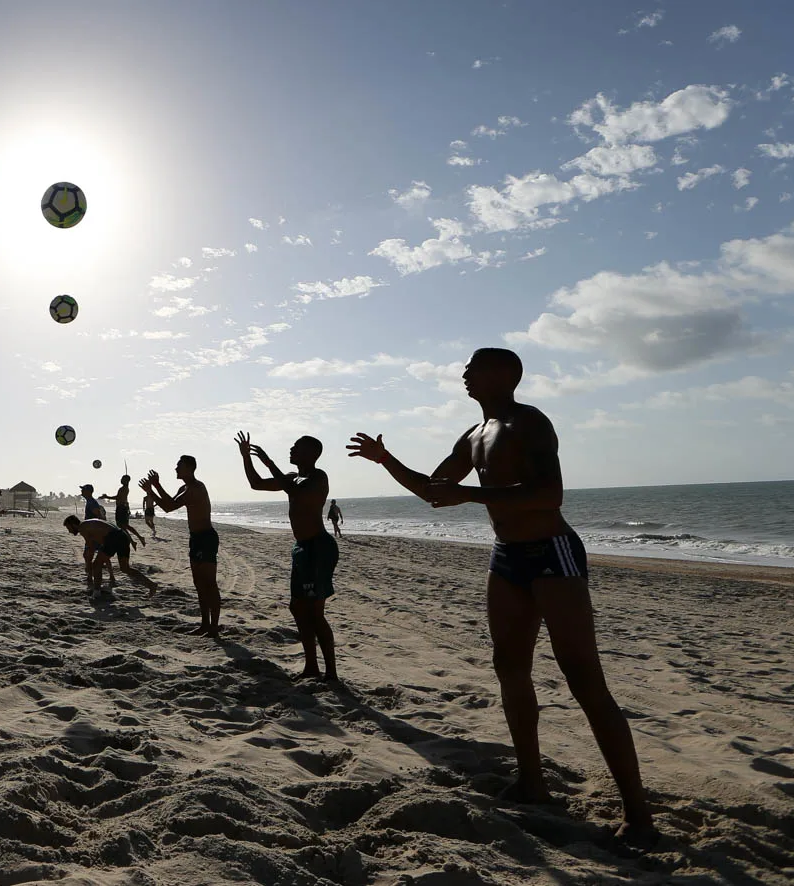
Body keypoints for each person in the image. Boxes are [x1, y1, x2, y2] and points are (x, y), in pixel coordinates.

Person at [347, 347, 655, 844]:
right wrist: (387, 461)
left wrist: (471, 495)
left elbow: (548, 495)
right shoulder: (473, 435)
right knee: (509, 668)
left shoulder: (528, 423)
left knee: (583, 680)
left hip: (553, 551)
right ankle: (532, 782)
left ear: (505, 375)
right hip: (507, 556)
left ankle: (638, 815)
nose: (464, 374)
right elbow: (434, 490)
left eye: (475, 367)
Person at [238, 431, 339, 681]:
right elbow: (256, 484)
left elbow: (297, 493)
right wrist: (246, 458)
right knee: (297, 608)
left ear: (311, 453)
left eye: (296, 447)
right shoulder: (292, 477)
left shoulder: (318, 477)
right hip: (302, 548)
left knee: (316, 613)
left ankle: (332, 674)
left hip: (319, 548)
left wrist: (270, 462)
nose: (291, 449)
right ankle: (311, 667)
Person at [140, 456, 221, 635]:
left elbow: (170, 506)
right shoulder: (184, 487)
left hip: (206, 538)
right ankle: (205, 625)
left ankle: (214, 627)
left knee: (209, 584)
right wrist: (153, 488)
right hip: (196, 538)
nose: (176, 468)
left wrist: (154, 488)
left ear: (190, 468)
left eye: (179, 466)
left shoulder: (196, 488)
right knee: (199, 584)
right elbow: (169, 504)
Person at [63, 515, 154, 595]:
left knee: (96, 565)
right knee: (125, 568)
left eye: (69, 528)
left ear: (73, 524)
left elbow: (90, 548)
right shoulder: (88, 524)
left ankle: (97, 592)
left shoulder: (83, 528)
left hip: (113, 537)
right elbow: (99, 545)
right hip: (122, 536)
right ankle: (151, 585)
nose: (69, 531)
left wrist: (88, 565)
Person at [100, 474, 147, 547]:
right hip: (121, 508)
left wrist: (106, 496)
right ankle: (133, 541)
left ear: (126, 480)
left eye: (122, 479)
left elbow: (118, 497)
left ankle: (137, 538)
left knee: (124, 526)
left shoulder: (124, 488)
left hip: (122, 509)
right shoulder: (124, 488)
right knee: (123, 527)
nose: (121, 480)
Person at [79, 484, 108, 587]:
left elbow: (99, 516)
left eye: (83, 490)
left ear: (88, 492)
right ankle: (91, 576)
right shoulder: (90, 502)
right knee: (90, 555)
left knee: (89, 555)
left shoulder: (92, 503)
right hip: (92, 532)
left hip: (94, 533)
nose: (81, 492)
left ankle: (90, 577)